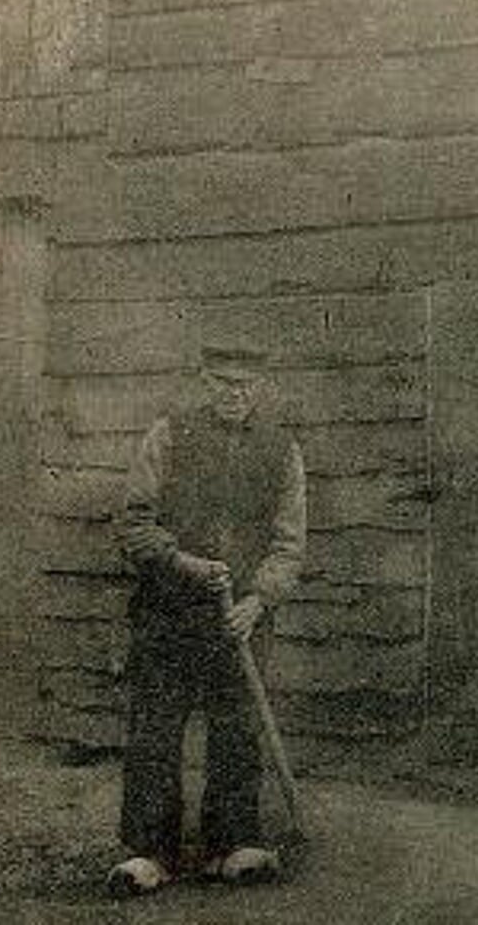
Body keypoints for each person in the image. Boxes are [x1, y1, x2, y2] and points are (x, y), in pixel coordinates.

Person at [107, 339, 306, 896]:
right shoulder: (168, 435)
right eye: (222, 383)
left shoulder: (281, 449)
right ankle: (149, 853)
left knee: (237, 728)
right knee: (155, 728)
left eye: (244, 385)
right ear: (204, 382)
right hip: (168, 611)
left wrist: (259, 600)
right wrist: (184, 563)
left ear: (260, 388)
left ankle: (235, 842)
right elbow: (134, 525)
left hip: (239, 619)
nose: (233, 394)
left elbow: (289, 545)